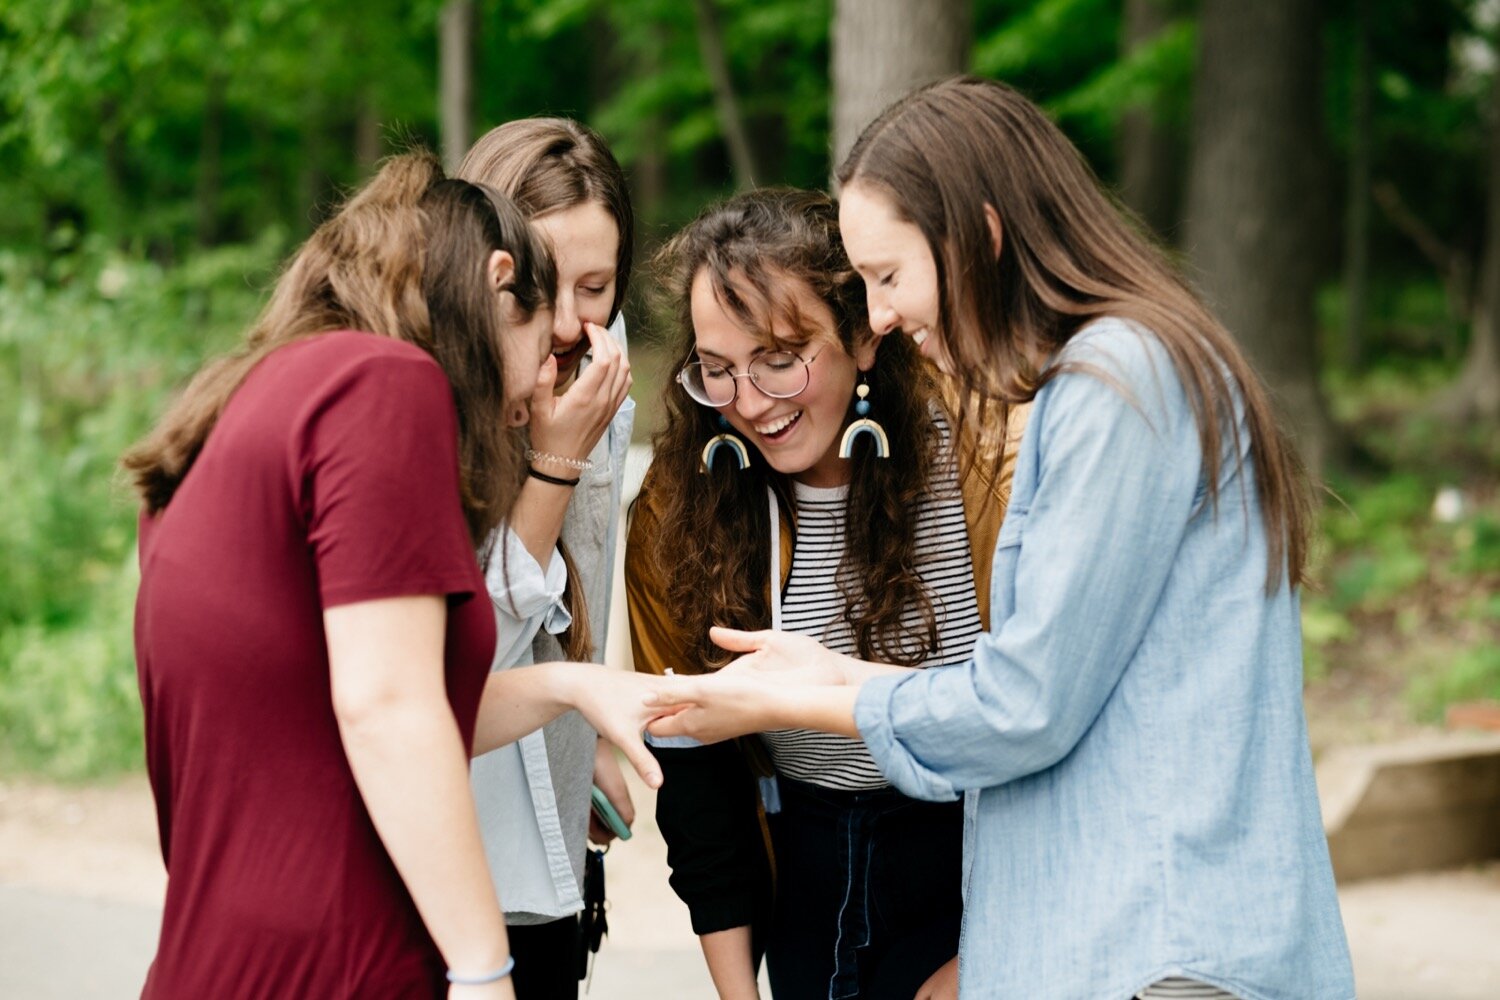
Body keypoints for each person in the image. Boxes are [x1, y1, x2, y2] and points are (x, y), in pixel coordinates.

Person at [648, 77, 1356, 1000]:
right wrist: (830, 675)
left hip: (1159, 956)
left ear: (978, 237)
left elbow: (1024, 707)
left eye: (889, 277)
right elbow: (1052, 679)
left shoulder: (1117, 382)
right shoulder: (1108, 376)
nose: (885, 316)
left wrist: (799, 702)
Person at [124, 153, 662, 999]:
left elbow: (338, 709)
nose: (547, 368)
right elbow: (387, 710)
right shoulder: (387, 384)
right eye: (539, 321)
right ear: (496, 278)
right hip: (341, 956)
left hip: (211, 958)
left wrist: (570, 686)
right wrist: (485, 970)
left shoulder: (237, 402)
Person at [625, 188, 1019, 1000]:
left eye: (780, 357)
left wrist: (990, 957)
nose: (750, 402)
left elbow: (1048, 718)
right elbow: (697, 786)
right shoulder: (679, 506)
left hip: (986, 868)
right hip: (806, 872)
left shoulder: (983, 469)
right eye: (718, 369)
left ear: (862, 337)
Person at [453, 117, 638, 999]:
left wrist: (590, 739)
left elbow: (587, 581)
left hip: (559, 868)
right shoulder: (431, 402)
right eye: (544, 287)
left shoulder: (605, 375)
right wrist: (553, 466)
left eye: (597, 287)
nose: (568, 323)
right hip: (460, 862)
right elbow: (466, 658)